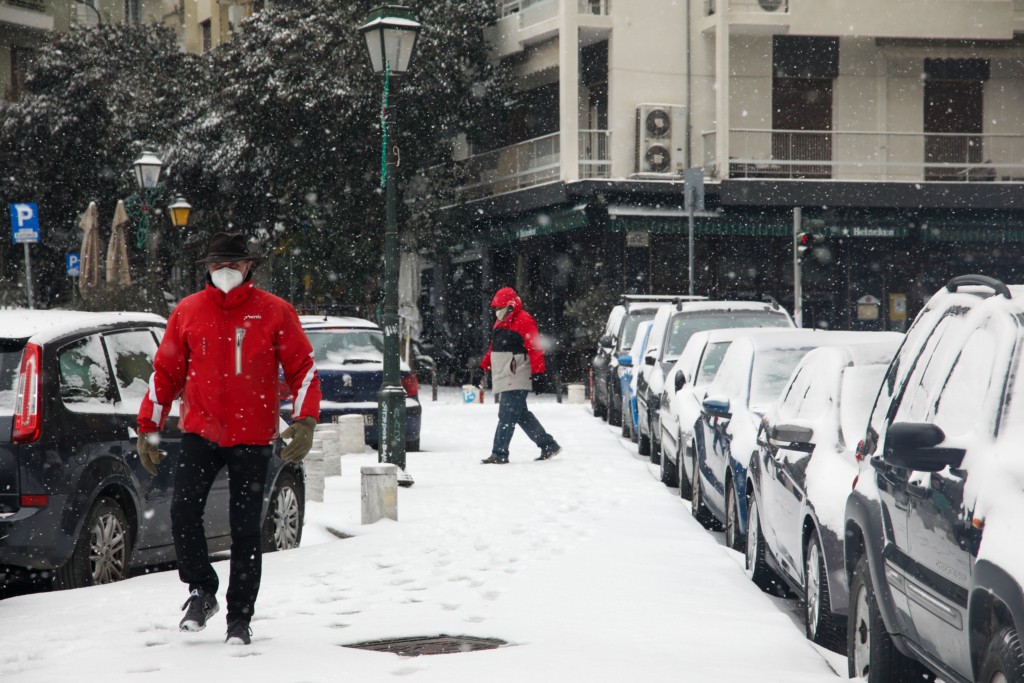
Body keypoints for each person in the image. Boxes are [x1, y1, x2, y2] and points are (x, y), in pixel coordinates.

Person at [136, 232, 321, 646]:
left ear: (248, 267)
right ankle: (202, 590)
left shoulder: (274, 312)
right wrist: (149, 425)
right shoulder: (187, 311)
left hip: (252, 437)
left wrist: (305, 420)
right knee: (182, 513)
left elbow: (302, 369)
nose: (224, 272)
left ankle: (239, 617)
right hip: (200, 433)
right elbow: (165, 373)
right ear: (206, 267)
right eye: (217, 264)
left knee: (245, 530)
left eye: (233, 265)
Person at [480, 287, 561, 464]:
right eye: (494, 308)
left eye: (498, 307)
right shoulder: (501, 321)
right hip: (507, 374)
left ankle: (499, 453)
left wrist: (539, 373)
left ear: (509, 306)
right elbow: (495, 347)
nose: (496, 311)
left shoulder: (524, 319)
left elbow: (535, 348)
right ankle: (548, 445)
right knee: (520, 414)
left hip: (517, 374)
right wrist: (484, 365)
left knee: (506, 414)